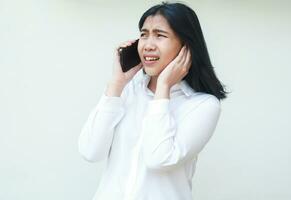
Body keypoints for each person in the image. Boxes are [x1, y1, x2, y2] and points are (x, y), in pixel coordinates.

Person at [78, 2, 228, 200]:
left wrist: (163, 88)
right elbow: (90, 151)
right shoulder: (127, 91)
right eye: (144, 34)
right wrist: (116, 84)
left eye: (160, 35)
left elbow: (158, 159)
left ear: (186, 47)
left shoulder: (203, 105)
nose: (148, 44)